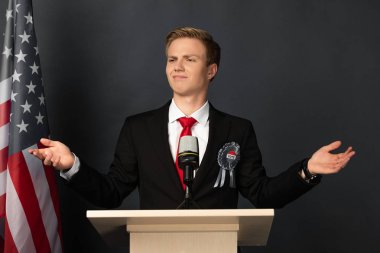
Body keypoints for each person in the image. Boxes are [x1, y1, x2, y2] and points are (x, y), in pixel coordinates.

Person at [29, 27, 355, 210]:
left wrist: (307, 171)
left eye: (189, 58)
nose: (177, 66)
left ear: (211, 70)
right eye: (172, 59)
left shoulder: (238, 130)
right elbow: (111, 192)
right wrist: (71, 164)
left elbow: (262, 193)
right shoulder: (138, 128)